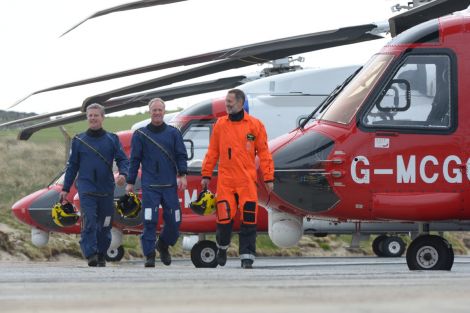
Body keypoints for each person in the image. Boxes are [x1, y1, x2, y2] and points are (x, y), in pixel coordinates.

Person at [201, 88, 274, 269]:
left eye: (230, 102)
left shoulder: (255, 125)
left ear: (241, 103)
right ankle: (222, 248)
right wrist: (206, 174)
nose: (227, 104)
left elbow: (265, 153)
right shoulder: (220, 124)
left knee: (249, 219)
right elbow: (212, 152)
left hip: (247, 181)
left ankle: (247, 257)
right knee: (224, 219)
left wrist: (269, 177)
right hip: (226, 181)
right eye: (226, 102)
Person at [60, 103, 129, 267]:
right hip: (87, 188)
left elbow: (123, 160)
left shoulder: (112, 139)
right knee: (89, 220)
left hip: (106, 189)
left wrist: (124, 174)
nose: (92, 118)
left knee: (105, 224)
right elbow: (72, 167)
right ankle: (90, 253)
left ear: (102, 117)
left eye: (96, 115)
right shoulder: (79, 140)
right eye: (90, 115)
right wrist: (65, 188)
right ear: (87, 118)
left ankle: (101, 253)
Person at [126, 98, 188, 268]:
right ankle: (150, 255)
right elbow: (134, 160)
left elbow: (181, 155)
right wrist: (130, 182)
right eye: (154, 110)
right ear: (150, 112)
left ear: (164, 111)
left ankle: (163, 244)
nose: (157, 113)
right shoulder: (140, 135)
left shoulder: (174, 133)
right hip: (150, 187)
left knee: (175, 222)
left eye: (160, 110)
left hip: (169, 186)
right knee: (149, 221)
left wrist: (182, 175)